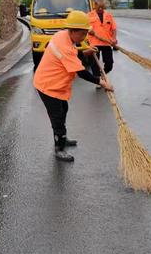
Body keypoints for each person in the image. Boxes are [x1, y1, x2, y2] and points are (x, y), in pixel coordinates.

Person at [34, 10, 113, 162]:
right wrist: (102, 82)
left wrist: (85, 52)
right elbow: (81, 72)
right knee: (57, 116)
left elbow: (72, 52)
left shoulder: (62, 35)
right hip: (47, 85)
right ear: (72, 31)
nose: (84, 37)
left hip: (54, 84)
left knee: (64, 109)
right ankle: (59, 148)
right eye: (83, 34)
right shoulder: (64, 44)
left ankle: (62, 138)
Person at [87, 0, 117, 85]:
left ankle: (102, 75)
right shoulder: (88, 16)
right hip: (94, 44)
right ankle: (98, 80)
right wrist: (89, 30)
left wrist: (114, 39)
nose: (100, 8)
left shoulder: (108, 16)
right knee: (94, 64)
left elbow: (114, 28)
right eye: (99, 6)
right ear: (95, 5)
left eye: (102, 7)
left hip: (106, 43)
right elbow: (84, 28)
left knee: (109, 64)